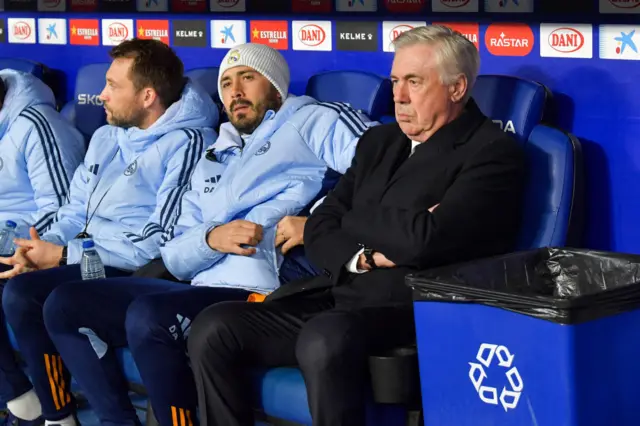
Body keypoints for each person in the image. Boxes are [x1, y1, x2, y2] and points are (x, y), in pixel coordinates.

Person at [186, 25, 527, 426]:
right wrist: (365, 252)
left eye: (414, 82)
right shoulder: (379, 141)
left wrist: (356, 217)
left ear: (456, 88)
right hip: (340, 295)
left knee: (324, 336)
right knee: (214, 327)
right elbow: (321, 227)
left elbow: (424, 241)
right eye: (396, 81)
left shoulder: (491, 151)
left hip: (413, 311)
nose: (398, 96)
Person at [37, 43, 375, 426]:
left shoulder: (312, 119)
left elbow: (386, 166)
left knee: (150, 316)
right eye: (227, 83)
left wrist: (317, 223)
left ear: (277, 87)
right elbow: (174, 254)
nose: (236, 91)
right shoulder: (216, 153)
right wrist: (212, 238)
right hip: (200, 281)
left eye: (248, 77)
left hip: (262, 287)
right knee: (66, 303)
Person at [0, 38, 218, 426]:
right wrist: (38, 249)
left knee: (55, 300)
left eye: (113, 86)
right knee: (18, 286)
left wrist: (65, 257)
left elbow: (158, 244)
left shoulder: (188, 143)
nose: (100, 95)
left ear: (148, 95)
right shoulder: (105, 136)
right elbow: (73, 211)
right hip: (86, 257)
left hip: (134, 269)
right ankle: (56, 417)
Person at [0, 69, 85, 426]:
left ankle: (41, 408)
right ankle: (17, 395)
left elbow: (63, 209)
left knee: (21, 294)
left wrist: (19, 244)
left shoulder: (37, 125)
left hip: (29, 241)